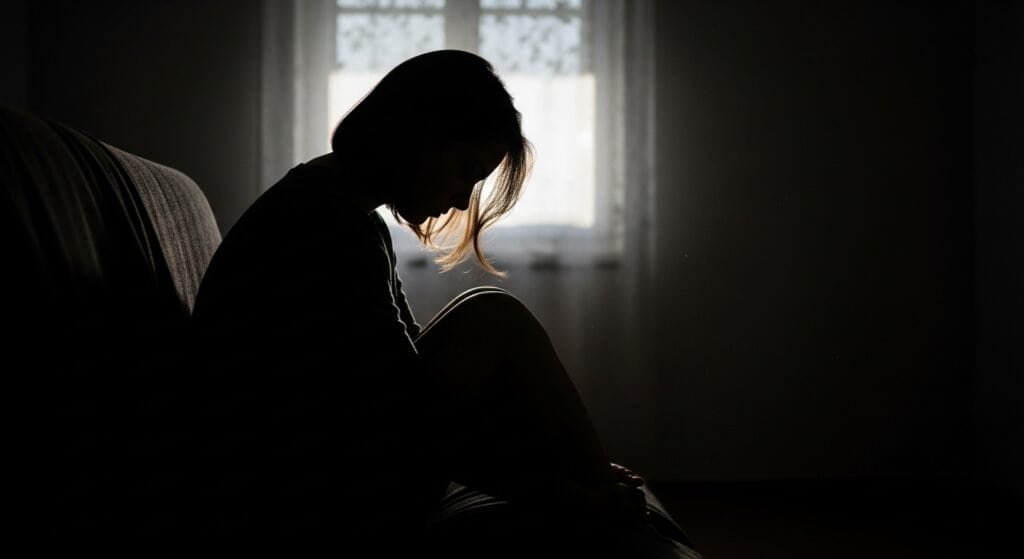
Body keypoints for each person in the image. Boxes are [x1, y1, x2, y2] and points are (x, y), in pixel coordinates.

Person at [189, 49, 650, 553]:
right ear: (420, 137)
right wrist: (562, 493)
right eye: (465, 172)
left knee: (488, 319)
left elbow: (404, 378)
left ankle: (595, 481)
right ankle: (601, 494)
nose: (459, 202)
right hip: (307, 495)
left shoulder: (350, 212)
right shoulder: (325, 221)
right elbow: (403, 419)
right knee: (495, 317)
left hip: (330, 463)